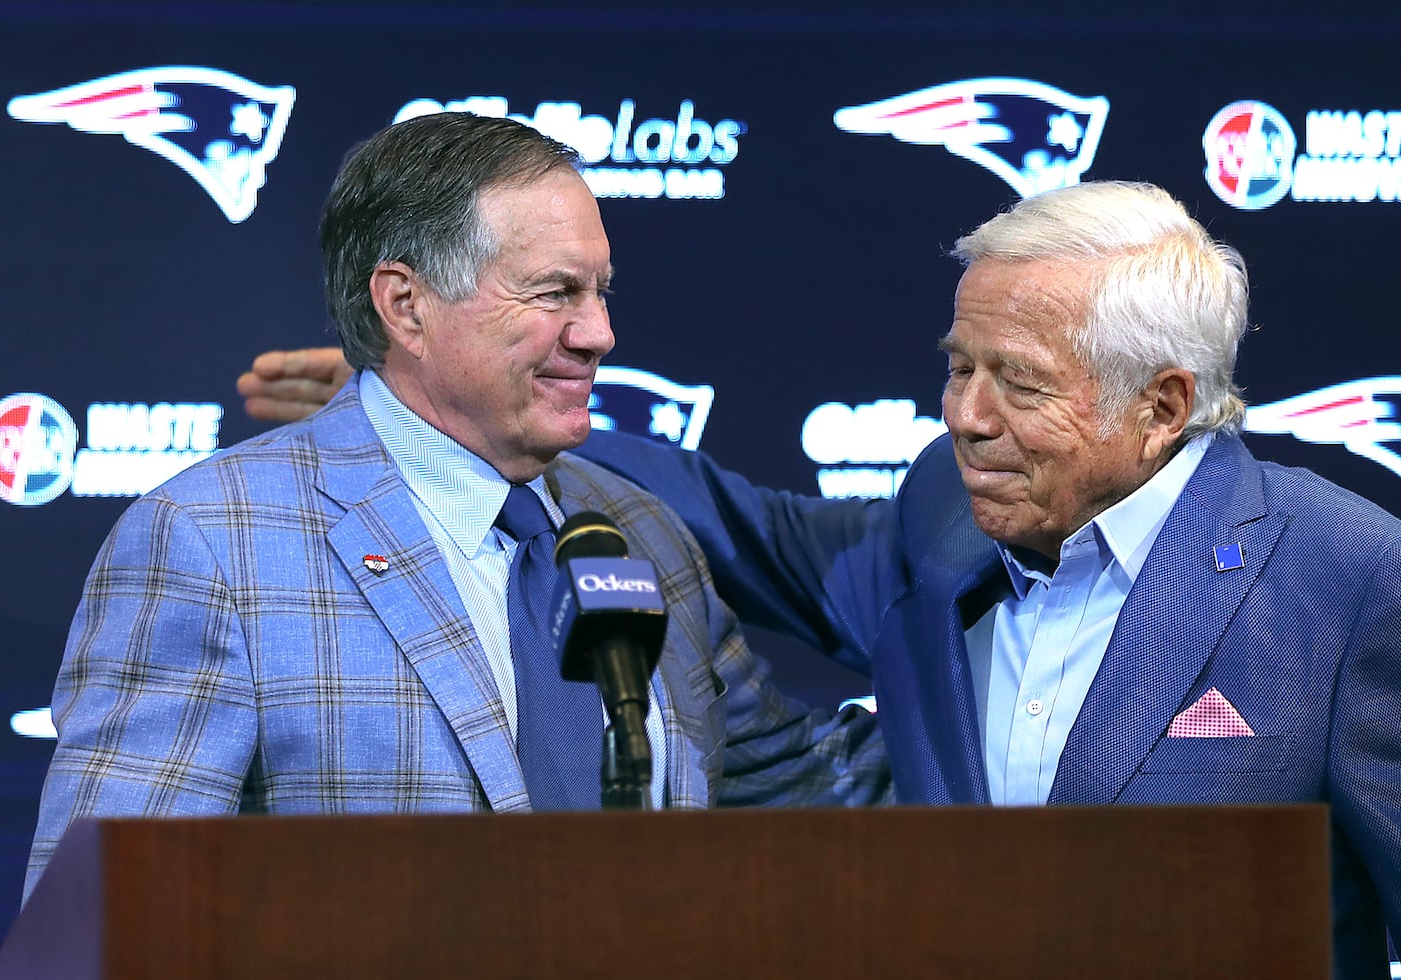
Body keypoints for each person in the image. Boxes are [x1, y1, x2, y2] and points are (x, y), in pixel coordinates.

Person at [240, 180, 1401, 976]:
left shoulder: (1345, 577)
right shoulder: (947, 517)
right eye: (958, 366)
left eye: (1021, 382)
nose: (966, 417)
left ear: (1162, 405)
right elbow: (746, 531)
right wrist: (466, 401)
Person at [26, 112, 890, 902]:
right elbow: (103, 914)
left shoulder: (642, 536)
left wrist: (1017, 730)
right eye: (555, 293)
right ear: (406, 304)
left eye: (600, 292)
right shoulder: (214, 542)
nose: (599, 334)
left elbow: (805, 794)